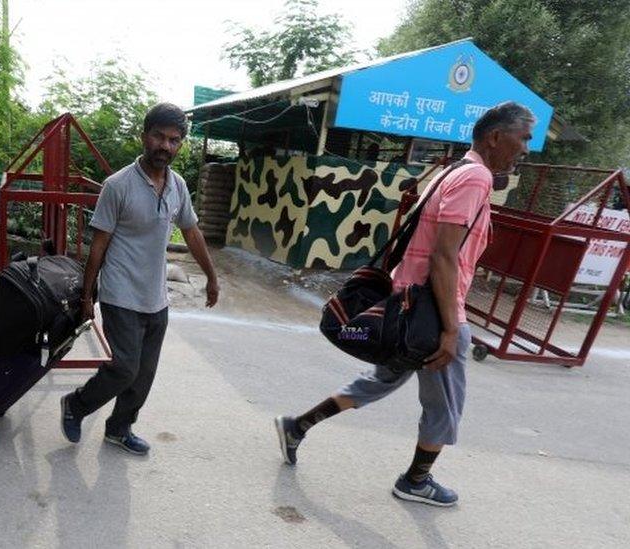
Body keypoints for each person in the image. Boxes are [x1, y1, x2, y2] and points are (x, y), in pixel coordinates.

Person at [274, 101, 535, 506]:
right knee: (445, 404)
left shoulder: (450, 170)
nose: (526, 148)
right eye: (523, 138)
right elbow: (444, 256)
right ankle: (416, 480)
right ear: (495, 137)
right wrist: (451, 330)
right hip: (433, 312)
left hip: (406, 304)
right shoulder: (476, 178)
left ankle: (298, 426)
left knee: (380, 379)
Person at [60, 103, 220, 455]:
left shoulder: (177, 186)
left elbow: (191, 232)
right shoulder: (117, 185)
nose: (166, 146)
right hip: (120, 293)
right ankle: (76, 404)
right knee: (123, 370)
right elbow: (98, 243)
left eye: (174, 140)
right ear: (144, 136)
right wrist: (87, 297)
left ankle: (119, 429)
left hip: (155, 297)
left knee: (143, 375)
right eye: (159, 137)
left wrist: (211, 276)